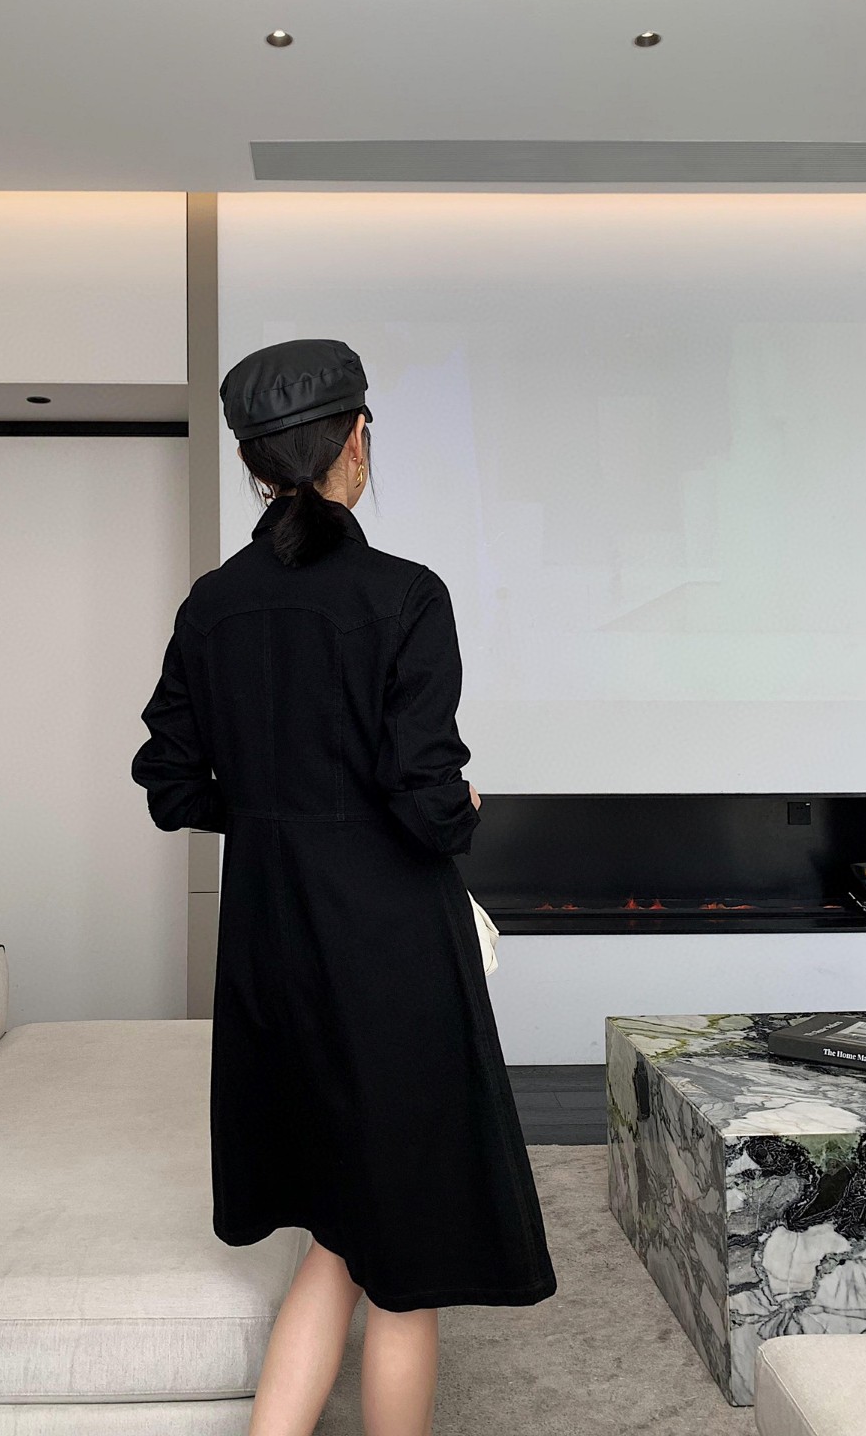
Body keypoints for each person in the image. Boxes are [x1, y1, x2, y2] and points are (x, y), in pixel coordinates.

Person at [131, 338, 557, 1436]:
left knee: (336, 1232)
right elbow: (425, 800)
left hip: (271, 948)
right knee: (402, 1267)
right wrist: (457, 810)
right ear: (355, 441)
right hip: (388, 956)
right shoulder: (405, 595)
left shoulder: (211, 606)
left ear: (256, 465)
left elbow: (169, 783)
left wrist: (271, 808)